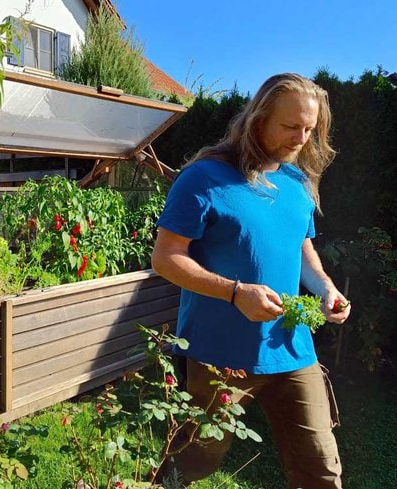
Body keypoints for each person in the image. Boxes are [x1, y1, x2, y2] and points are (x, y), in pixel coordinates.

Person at [151, 73, 351, 488]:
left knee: (320, 466)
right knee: (196, 458)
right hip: (218, 352)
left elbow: (301, 248)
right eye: (291, 126)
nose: (301, 139)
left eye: (309, 128)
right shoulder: (204, 178)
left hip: (292, 348)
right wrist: (235, 292)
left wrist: (326, 288)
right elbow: (166, 258)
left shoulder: (296, 182)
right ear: (258, 119)